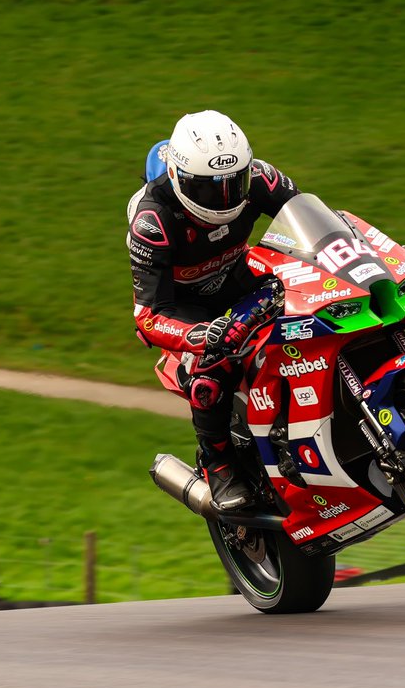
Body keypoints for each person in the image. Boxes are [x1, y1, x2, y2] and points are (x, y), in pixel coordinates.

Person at [127, 110, 300, 511]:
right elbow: (148, 314)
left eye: (232, 184)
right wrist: (202, 335)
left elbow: (315, 220)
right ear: (180, 180)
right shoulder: (151, 220)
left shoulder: (260, 177)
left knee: (310, 290)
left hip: (238, 274)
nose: (225, 197)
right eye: (210, 190)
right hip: (185, 306)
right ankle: (218, 463)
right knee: (211, 368)